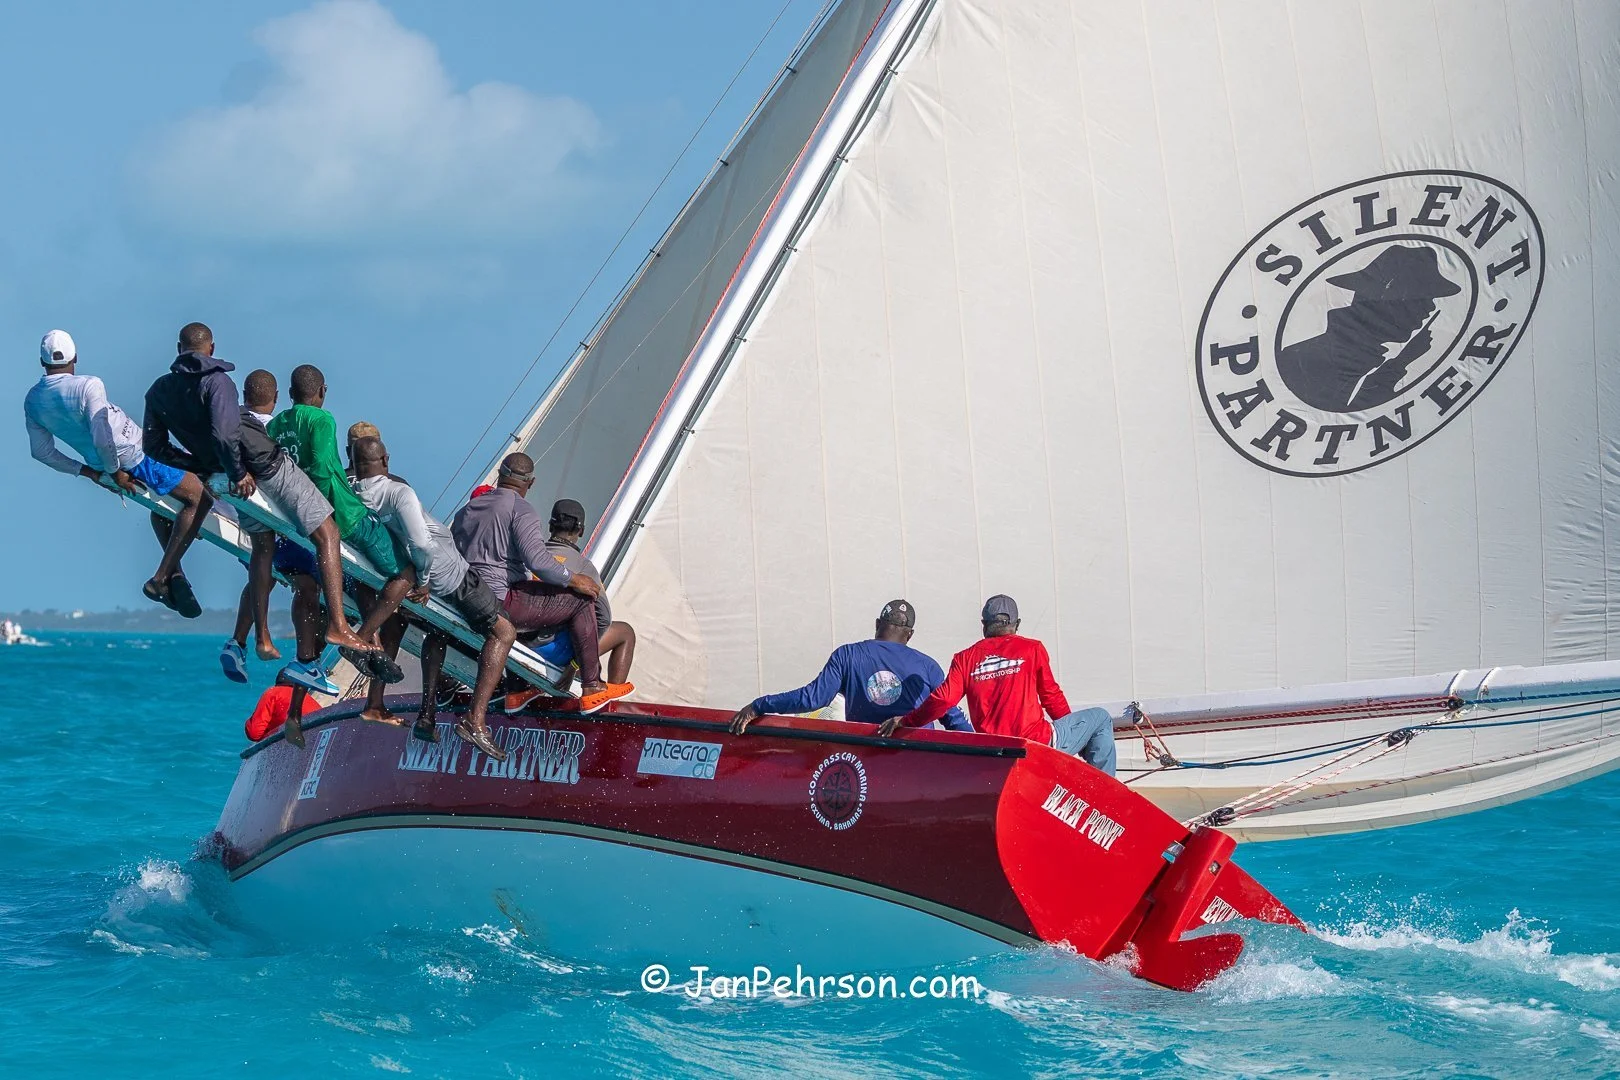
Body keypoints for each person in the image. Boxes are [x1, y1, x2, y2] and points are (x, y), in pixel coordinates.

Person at [25, 329, 212, 614]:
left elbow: (41, 452)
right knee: (200, 497)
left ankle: (176, 576)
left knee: (162, 510)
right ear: (76, 357)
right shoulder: (89, 385)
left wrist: (91, 472)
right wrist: (115, 472)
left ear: (42, 363)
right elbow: (102, 435)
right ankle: (161, 578)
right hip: (135, 455)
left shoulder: (33, 401)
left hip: (109, 463)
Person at [351, 436, 516, 756]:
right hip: (450, 576)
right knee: (504, 630)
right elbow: (422, 545)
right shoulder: (398, 492)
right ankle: (475, 721)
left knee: (439, 632)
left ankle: (425, 713)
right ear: (385, 460)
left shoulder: (359, 494)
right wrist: (424, 580)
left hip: (439, 576)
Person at [218, 369, 374, 691]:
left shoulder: (248, 425)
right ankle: (314, 655)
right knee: (310, 582)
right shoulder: (282, 426)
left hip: (250, 522)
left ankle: (241, 640)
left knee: (262, 572)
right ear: (276, 397)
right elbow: (315, 471)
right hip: (292, 527)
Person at [268, 364, 413, 692]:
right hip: (342, 515)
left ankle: (365, 645)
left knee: (357, 581)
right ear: (322, 392)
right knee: (406, 572)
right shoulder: (322, 419)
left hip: (298, 518)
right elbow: (319, 465)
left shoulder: (276, 424)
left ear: (290, 394)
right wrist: (321, 511)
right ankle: (362, 639)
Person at [451, 453, 630, 714]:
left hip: (465, 597)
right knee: (584, 604)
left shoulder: (466, 510)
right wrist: (573, 580)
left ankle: (513, 688)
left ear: (499, 475)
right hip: (502, 605)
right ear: (531, 483)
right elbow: (538, 561)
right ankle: (593, 687)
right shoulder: (520, 510)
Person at [877, 595, 1116, 775]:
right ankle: (1107, 797)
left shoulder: (965, 658)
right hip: (1036, 745)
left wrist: (906, 721)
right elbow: (1051, 697)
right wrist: (1076, 737)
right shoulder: (1032, 649)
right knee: (1101, 718)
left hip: (994, 754)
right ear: (1017, 623)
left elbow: (943, 700)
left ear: (984, 625)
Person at [729, 599, 970, 734]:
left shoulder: (848, 655)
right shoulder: (927, 666)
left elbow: (813, 698)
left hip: (865, 759)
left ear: (877, 624)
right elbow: (952, 718)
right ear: (910, 634)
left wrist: (759, 705)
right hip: (915, 763)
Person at [1276, 244, 1460, 411]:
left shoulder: (1359, 353)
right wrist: (1400, 363)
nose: (1430, 308)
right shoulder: (1305, 358)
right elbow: (1349, 409)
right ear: (1388, 302)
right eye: (1421, 299)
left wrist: (1401, 361)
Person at [504, 498, 637, 713]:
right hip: (554, 652)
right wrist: (576, 665)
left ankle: (517, 692)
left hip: (518, 641)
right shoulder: (584, 567)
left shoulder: (529, 555)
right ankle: (607, 706)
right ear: (581, 530)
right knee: (625, 632)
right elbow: (602, 620)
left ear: (550, 526)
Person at [244, 684, 321, 742]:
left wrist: (249, 723)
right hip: (318, 735)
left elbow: (254, 733)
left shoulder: (274, 692)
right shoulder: (308, 698)